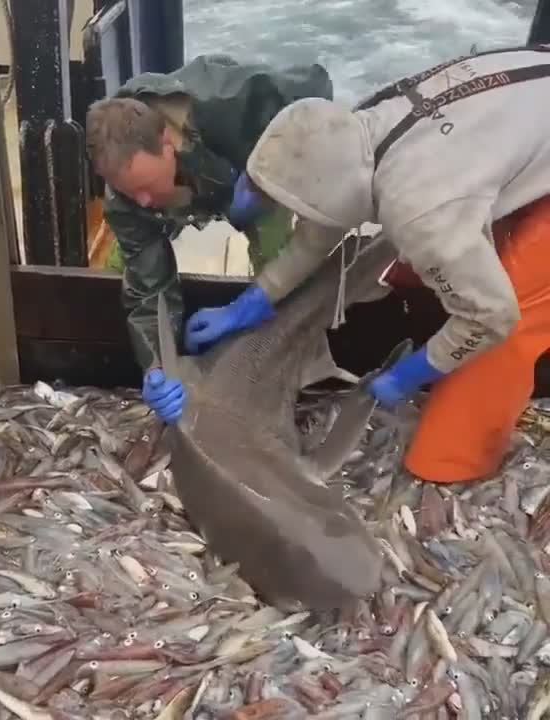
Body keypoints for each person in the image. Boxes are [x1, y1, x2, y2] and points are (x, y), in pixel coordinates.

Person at [180, 44, 550, 485]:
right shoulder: (359, 128)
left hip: (484, 175)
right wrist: (247, 304)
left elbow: (494, 316)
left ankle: (454, 467)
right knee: (435, 255)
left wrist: (412, 372)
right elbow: (319, 229)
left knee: (507, 321)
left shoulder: (418, 207)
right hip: (522, 118)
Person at [85, 54, 333, 423]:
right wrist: (156, 366)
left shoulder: (237, 101)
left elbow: (317, 88)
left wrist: (268, 178)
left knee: (280, 262)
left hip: (248, 178)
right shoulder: (129, 201)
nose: (143, 203)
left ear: (167, 142)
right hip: (185, 193)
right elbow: (150, 288)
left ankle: (289, 371)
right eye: (129, 192)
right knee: (126, 268)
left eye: (146, 188)